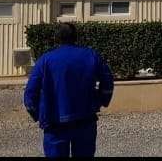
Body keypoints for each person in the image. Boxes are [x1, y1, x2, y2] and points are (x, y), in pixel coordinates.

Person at [24, 22, 114, 158]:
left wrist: (37, 114)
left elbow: (30, 95)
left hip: (54, 123)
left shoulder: (45, 60)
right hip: (85, 119)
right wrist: (101, 101)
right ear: (75, 37)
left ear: (57, 38)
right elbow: (107, 82)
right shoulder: (91, 55)